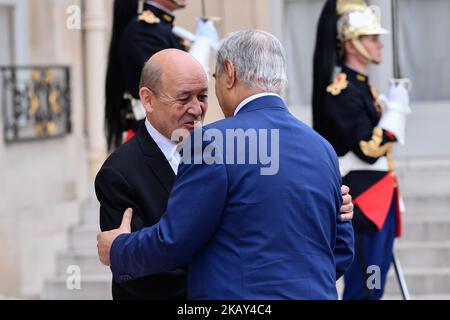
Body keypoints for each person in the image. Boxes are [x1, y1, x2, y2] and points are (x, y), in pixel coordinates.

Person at [97, 30, 355, 300]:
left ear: (229, 73)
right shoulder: (321, 147)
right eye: (184, 98)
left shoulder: (214, 142)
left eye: (210, 87)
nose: (198, 108)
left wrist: (118, 250)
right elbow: (342, 247)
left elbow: (175, 241)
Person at [312, 0, 411, 299]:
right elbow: (369, 148)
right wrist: (396, 112)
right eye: (371, 38)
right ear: (352, 45)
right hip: (364, 201)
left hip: (379, 197)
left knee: (374, 283)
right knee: (364, 287)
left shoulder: (362, 88)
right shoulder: (341, 92)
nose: (379, 44)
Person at [105, 0, 217, 150]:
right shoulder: (144, 30)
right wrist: (202, 45)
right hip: (154, 137)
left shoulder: (162, 29)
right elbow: (181, 81)